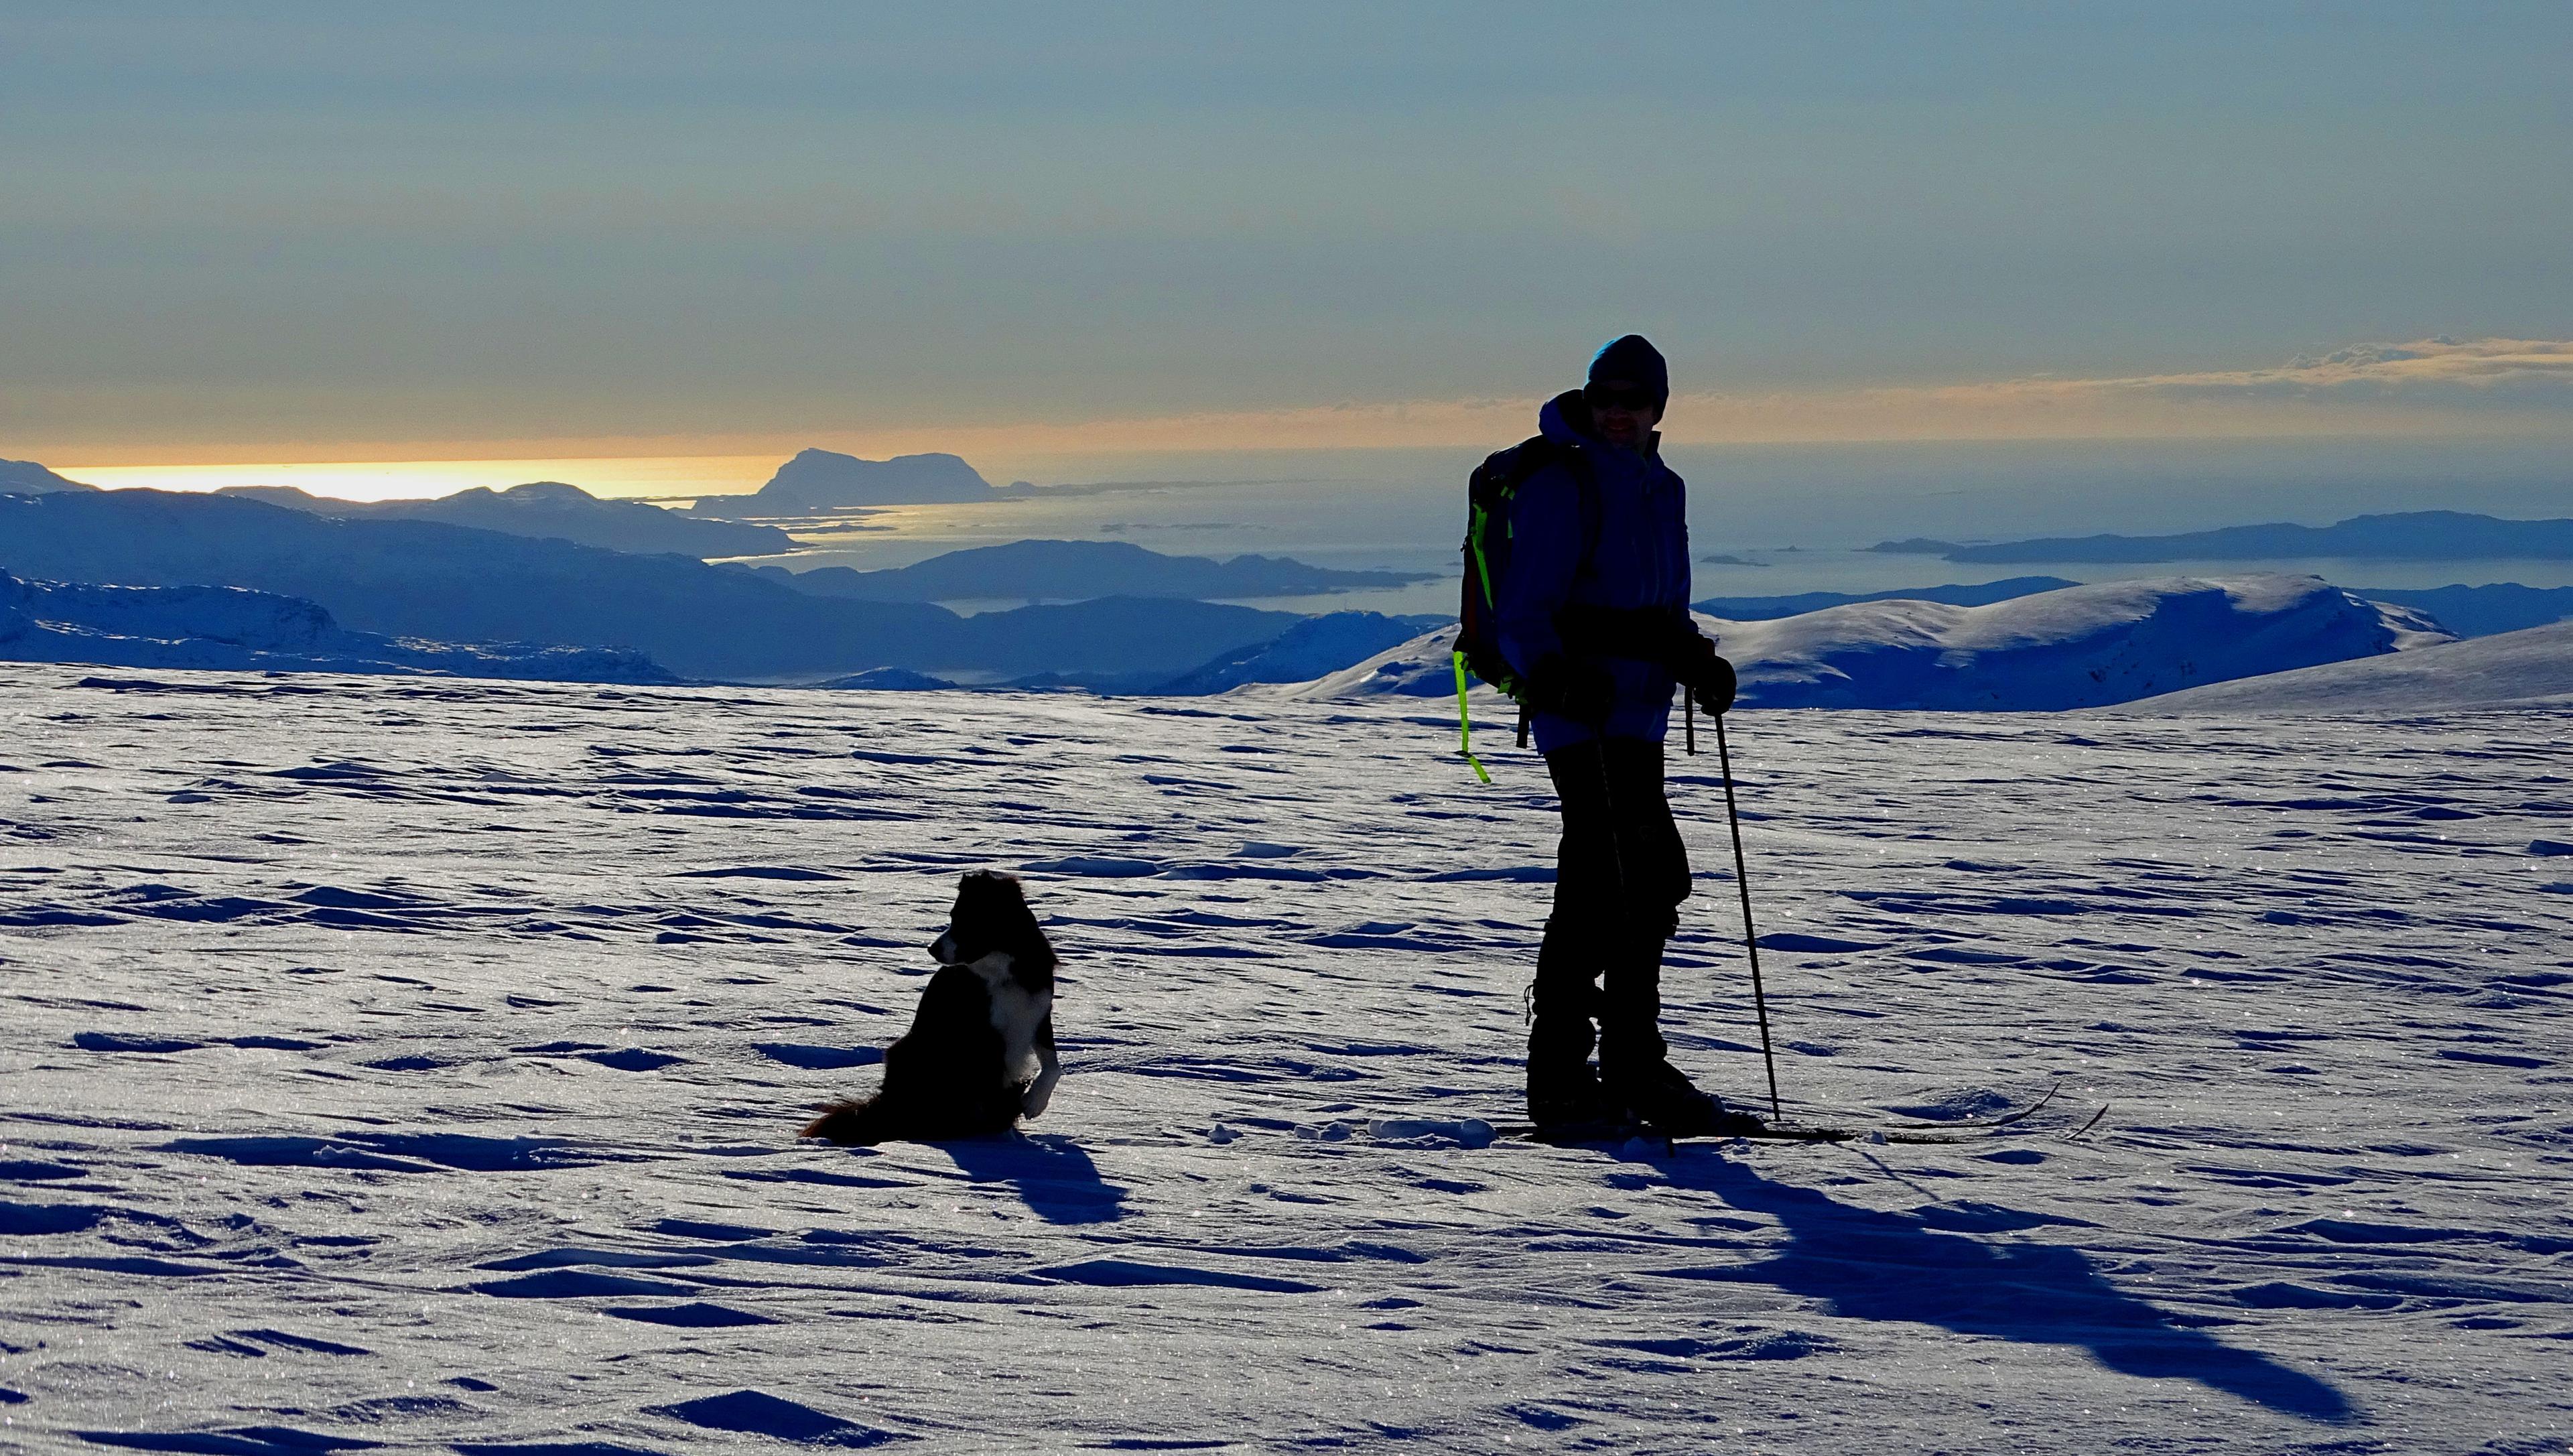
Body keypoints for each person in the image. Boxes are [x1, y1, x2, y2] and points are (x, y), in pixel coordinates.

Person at [1496, 334, 1744, 1135]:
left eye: (1632, 402)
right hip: (1582, 715)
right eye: (1605, 400)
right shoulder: (1562, 483)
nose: (1616, 414)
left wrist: (1695, 658)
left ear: (1656, 409)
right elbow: (1524, 609)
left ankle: (1624, 1065)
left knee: (1639, 882)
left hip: (1638, 711)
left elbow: (1660, 606)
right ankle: (1570, 1076)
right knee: (1616, 882)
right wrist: (1557, 673)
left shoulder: (1661, 487)